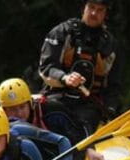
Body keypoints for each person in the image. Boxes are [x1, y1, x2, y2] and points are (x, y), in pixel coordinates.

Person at [38, 0, 123, 138]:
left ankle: (87, 150)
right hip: (57, 98)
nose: (94, 13)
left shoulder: (111, 45)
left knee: (88, 118)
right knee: (55, 113)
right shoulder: (62, 32)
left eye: (100, 10)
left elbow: (114, 85)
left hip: (89, 104)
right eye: (91, 7)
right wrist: (65, 78)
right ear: (84, 8)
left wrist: (110, 109)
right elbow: (46, 68)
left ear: (105, 13)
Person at [0, 78, 77, 160]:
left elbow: (72, 137)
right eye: (12, 110)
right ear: (4, 111)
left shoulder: (52, 110)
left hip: (62, 159)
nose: (19, 113)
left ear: (30, 104)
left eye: (22, 107)